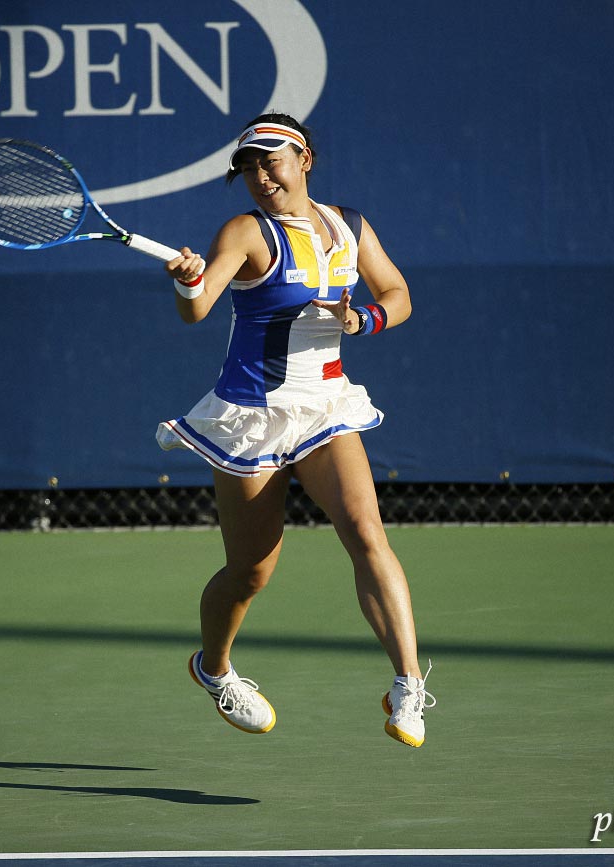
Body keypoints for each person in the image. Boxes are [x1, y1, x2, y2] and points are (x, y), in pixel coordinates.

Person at [156, 112, 434, 748]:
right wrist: (188, 280)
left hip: (327, 407)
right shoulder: (245, 231)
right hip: (252, 415)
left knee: (366, 532)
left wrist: (364, 318)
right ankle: (215, 668)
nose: (259, 175)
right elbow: (198, 308)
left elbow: (397, 292)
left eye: (269, 160)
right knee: (250, 572)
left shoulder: (349, 225)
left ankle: (408, 684)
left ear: (303, 160)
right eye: (248, 166)